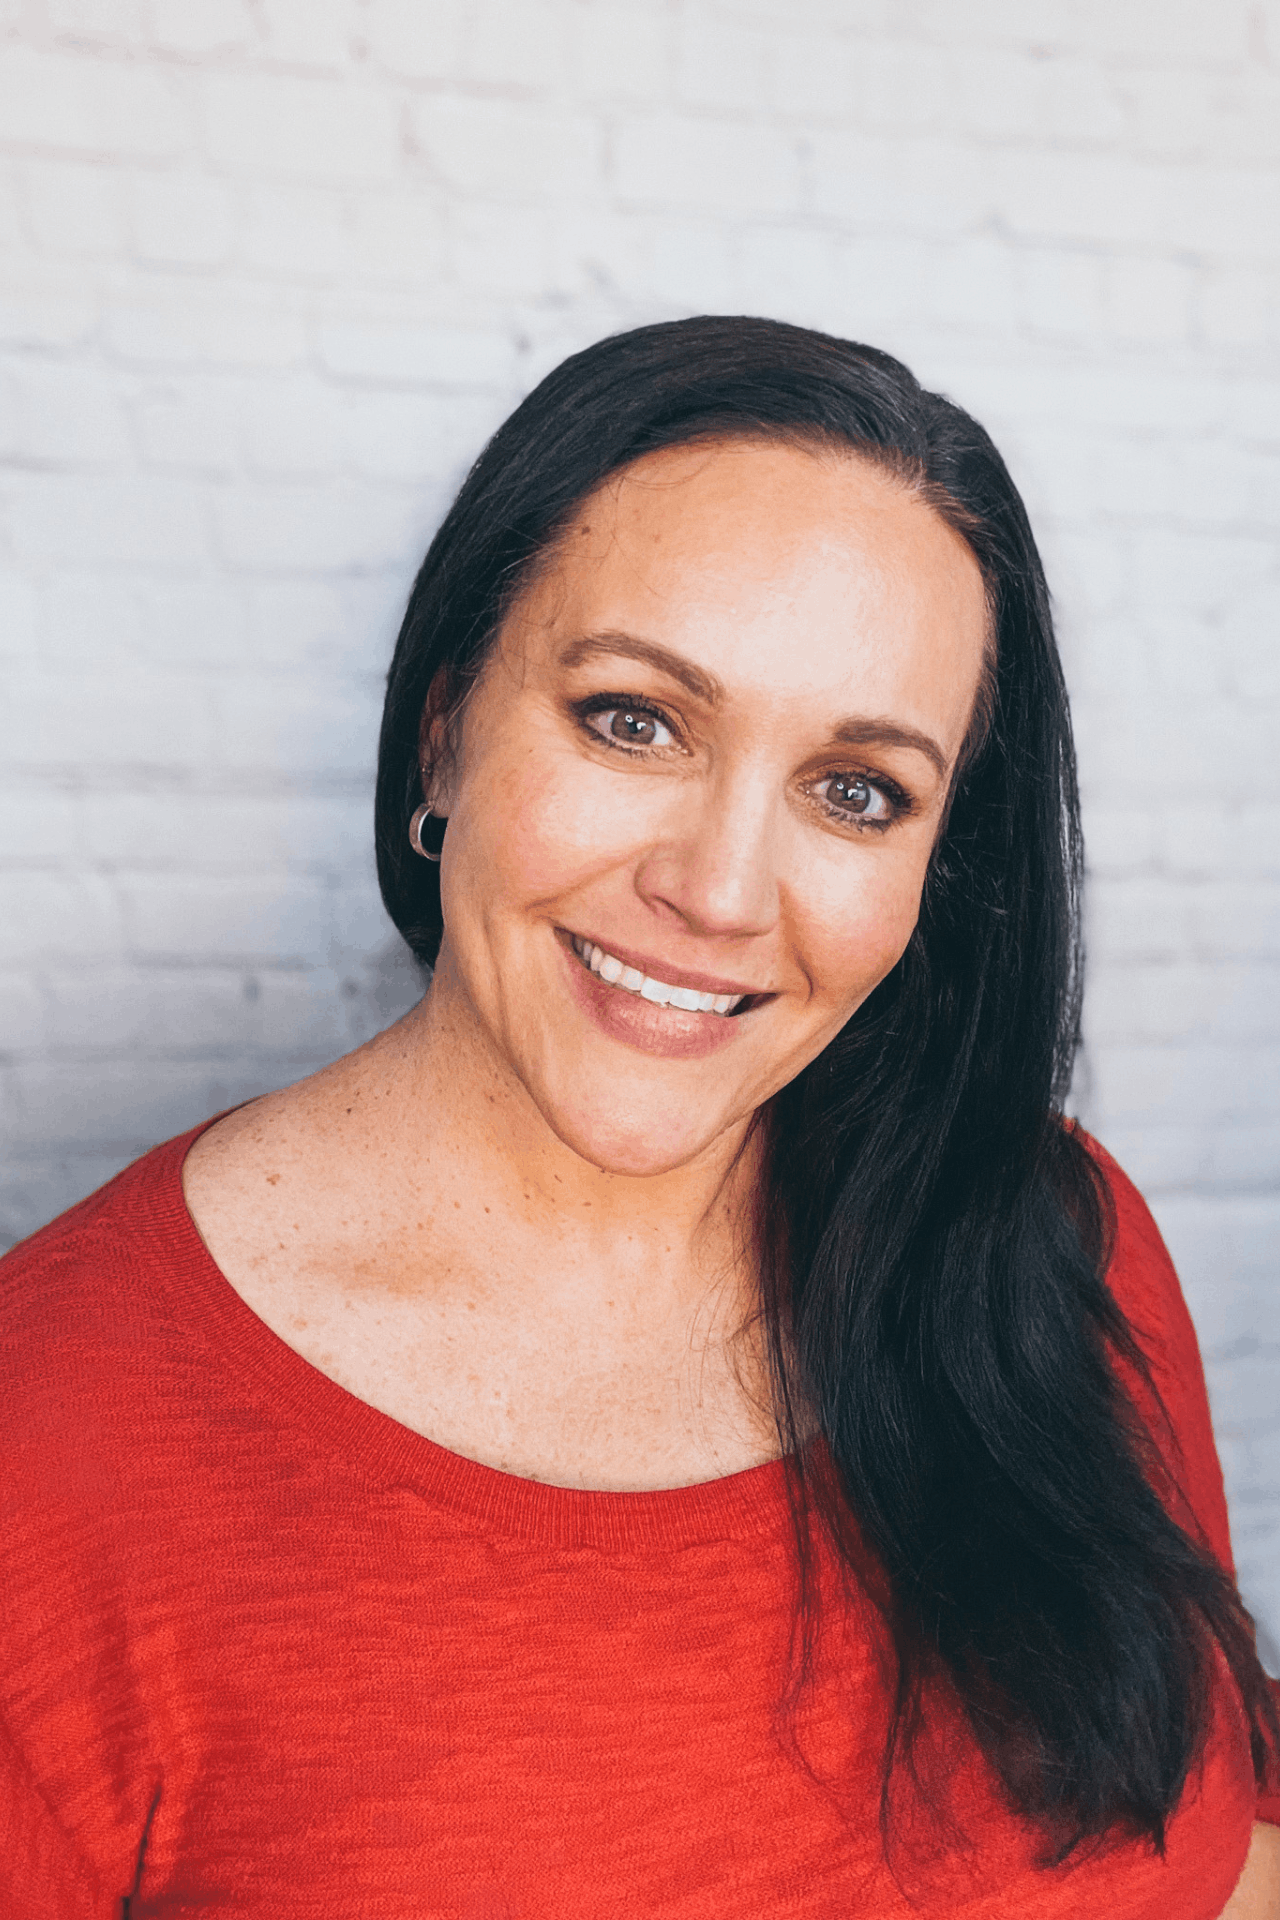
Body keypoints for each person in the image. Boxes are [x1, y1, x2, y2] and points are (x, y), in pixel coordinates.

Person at [1, 316, 1277, 1919]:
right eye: (633, 719)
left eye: (855, 790)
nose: (721, 893)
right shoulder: (46, 1462)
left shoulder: (1041, 1239)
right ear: (444, 723)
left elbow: (1224, 1857)